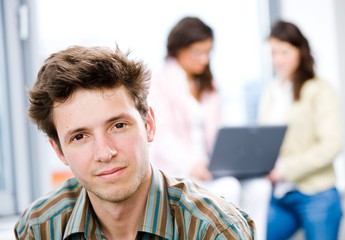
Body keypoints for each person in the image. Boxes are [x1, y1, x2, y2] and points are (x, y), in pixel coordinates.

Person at [13, 45, 256, 239]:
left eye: (118, 126)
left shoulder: (215, 230)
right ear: (59, 151)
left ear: (148, 125)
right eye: (80, 137)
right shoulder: (39, 228)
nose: (105, 152)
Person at [258, 20, 343, 240]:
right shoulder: (271, 91)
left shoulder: (319, 89)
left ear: (300, 51)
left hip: (317, 194)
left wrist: (285, 169)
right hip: (280, 195)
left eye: (284, 52)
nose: (278, 60)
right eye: (274, 53)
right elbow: (264, 140)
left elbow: (332, 144)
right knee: (254, 234)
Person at [148, 16, 242, 207]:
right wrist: (192, 164)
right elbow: (163, 137)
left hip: (209, 167)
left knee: (259, 186)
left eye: (208, 52)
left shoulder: (210, 85)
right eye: (197, 52)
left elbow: (218, 133)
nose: (204, 59)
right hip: (179, 169)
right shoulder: (160, 83)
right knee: (229, 187)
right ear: (178, 49)